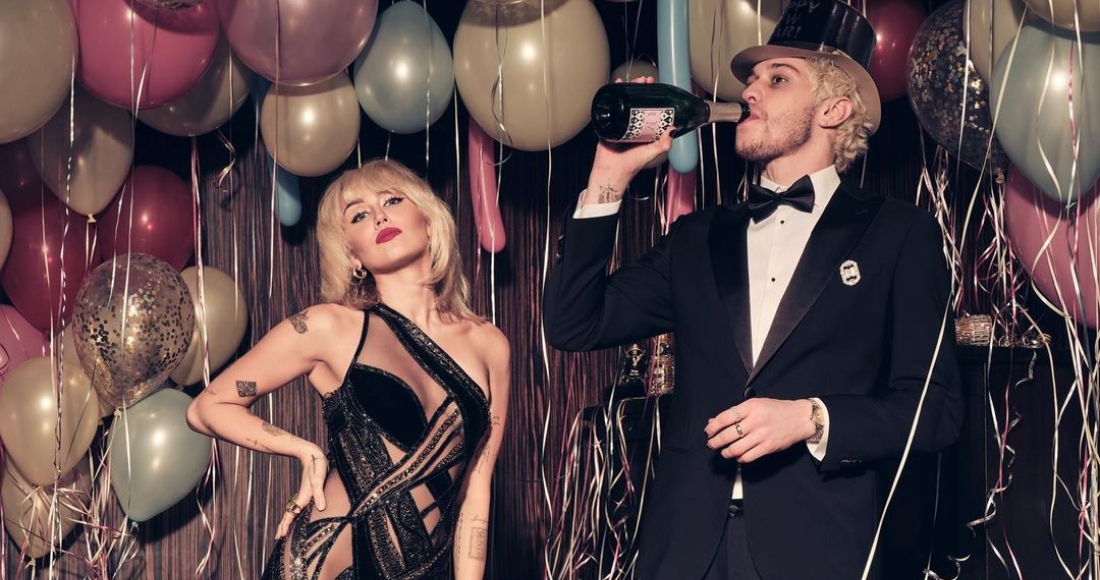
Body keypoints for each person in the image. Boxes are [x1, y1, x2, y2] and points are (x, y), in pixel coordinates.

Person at [543, 1, 964, 579]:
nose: (749, 91)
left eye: (777, 78)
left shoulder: (898, 234)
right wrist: (608, 178)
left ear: (834, 109)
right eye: (751, 79)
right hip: (685, 551)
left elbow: (936, 410)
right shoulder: (696, 238)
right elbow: (574, 322)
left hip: (818, 551)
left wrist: (812, 418)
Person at [186, 159, 510, 579]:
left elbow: (476, 490)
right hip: (320, 563)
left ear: (429, 222)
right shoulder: (328, 326)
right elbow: (207, 407)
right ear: (352, 254)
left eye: (392, 200)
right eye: (359, 215)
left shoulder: (489, 344)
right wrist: (304, 451)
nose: (379, 216)